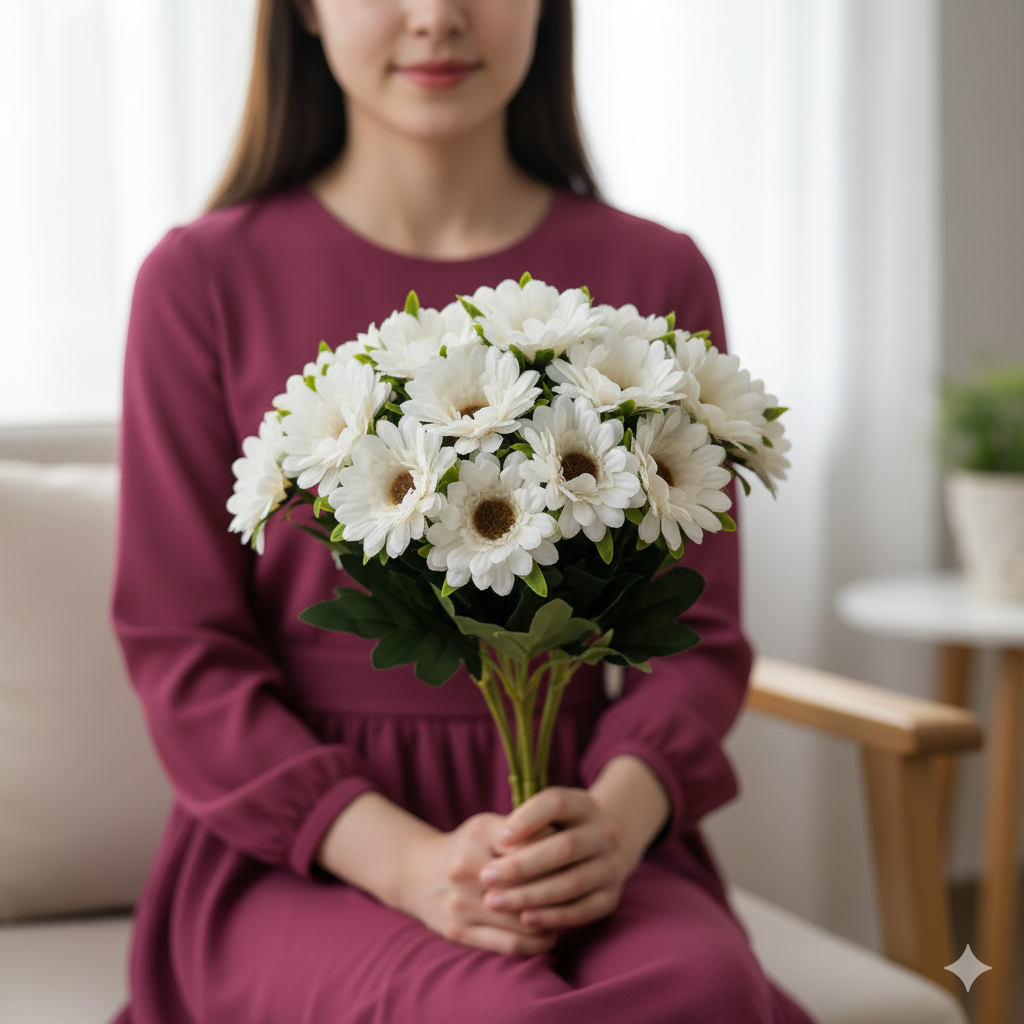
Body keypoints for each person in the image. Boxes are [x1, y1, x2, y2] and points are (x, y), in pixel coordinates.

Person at [112, 1, 814, 1021]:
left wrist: (614, 822)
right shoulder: (200, 279)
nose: (437, 17)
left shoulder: (656, 275)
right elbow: (182, 651)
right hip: (306, 853)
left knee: (700, 986)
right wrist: (403, 863)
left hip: (576, 823)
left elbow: (696, 635)